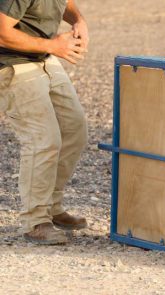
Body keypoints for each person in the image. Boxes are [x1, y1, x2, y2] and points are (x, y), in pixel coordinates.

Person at [0, 0, 89, 245]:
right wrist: (54, 45)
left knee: (75, 129)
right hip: (11, 64)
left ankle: (51, 206)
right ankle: (36, 222)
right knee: (43, 139)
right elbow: (1, 32)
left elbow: (66, 2)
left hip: (44, 57)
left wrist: (78, 20)